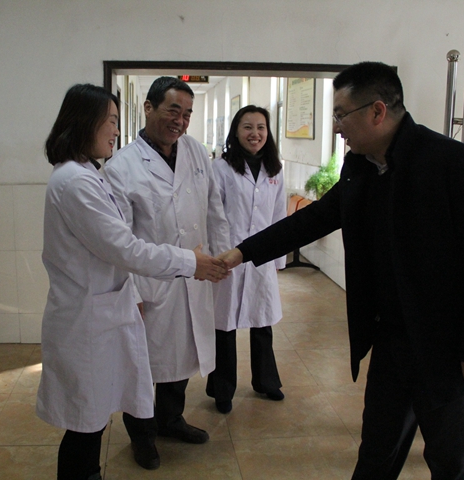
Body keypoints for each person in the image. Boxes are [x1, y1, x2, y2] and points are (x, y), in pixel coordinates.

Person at [217, 62, 464, 479]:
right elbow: (314, 219)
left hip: (446, 346)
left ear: (377, 111)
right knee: (376, 451)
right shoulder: (361, 166)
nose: (336, 126)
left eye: (341, 114)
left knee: (450, 462)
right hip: (392, 338)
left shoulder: (452, 163)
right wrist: (242, 252)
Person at [35, 84, 228, 480]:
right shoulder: (79, 182)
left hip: (110, 303)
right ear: (86, 122)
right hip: (94, 313)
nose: (115, 131)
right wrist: (188, 261)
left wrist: (204, 260)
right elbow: (125, 247)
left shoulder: (86, 174)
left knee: (95, 413)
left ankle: (150, 432)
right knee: (88, 419)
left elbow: (209, 207)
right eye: (110, 121)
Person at [104, 76, 231, 470]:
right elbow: (119, 242)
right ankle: (142, 436)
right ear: (149, 108)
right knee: (142, 365)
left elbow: (214, 208)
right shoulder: (122, 167)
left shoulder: (195, 152)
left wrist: (223, 258)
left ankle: (171, 419)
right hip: (150, 283)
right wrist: (133, 294)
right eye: (173, 110)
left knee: (183, 355)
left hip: (195, 275)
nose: (181, 120)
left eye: (187, 113)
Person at [205, 105, 287, 414]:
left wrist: (278, 261)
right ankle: (222, 388)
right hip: (228, 255)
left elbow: (279, 217)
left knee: (262, 320)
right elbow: (214, 215)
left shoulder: (275, 169)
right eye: (248, 127)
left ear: (268, 132)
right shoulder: (221, 168)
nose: (255, 133)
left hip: (261, 258)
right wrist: (219, 257)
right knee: (224, 325)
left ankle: (266, 381)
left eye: (261, 127)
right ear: (236, 132)